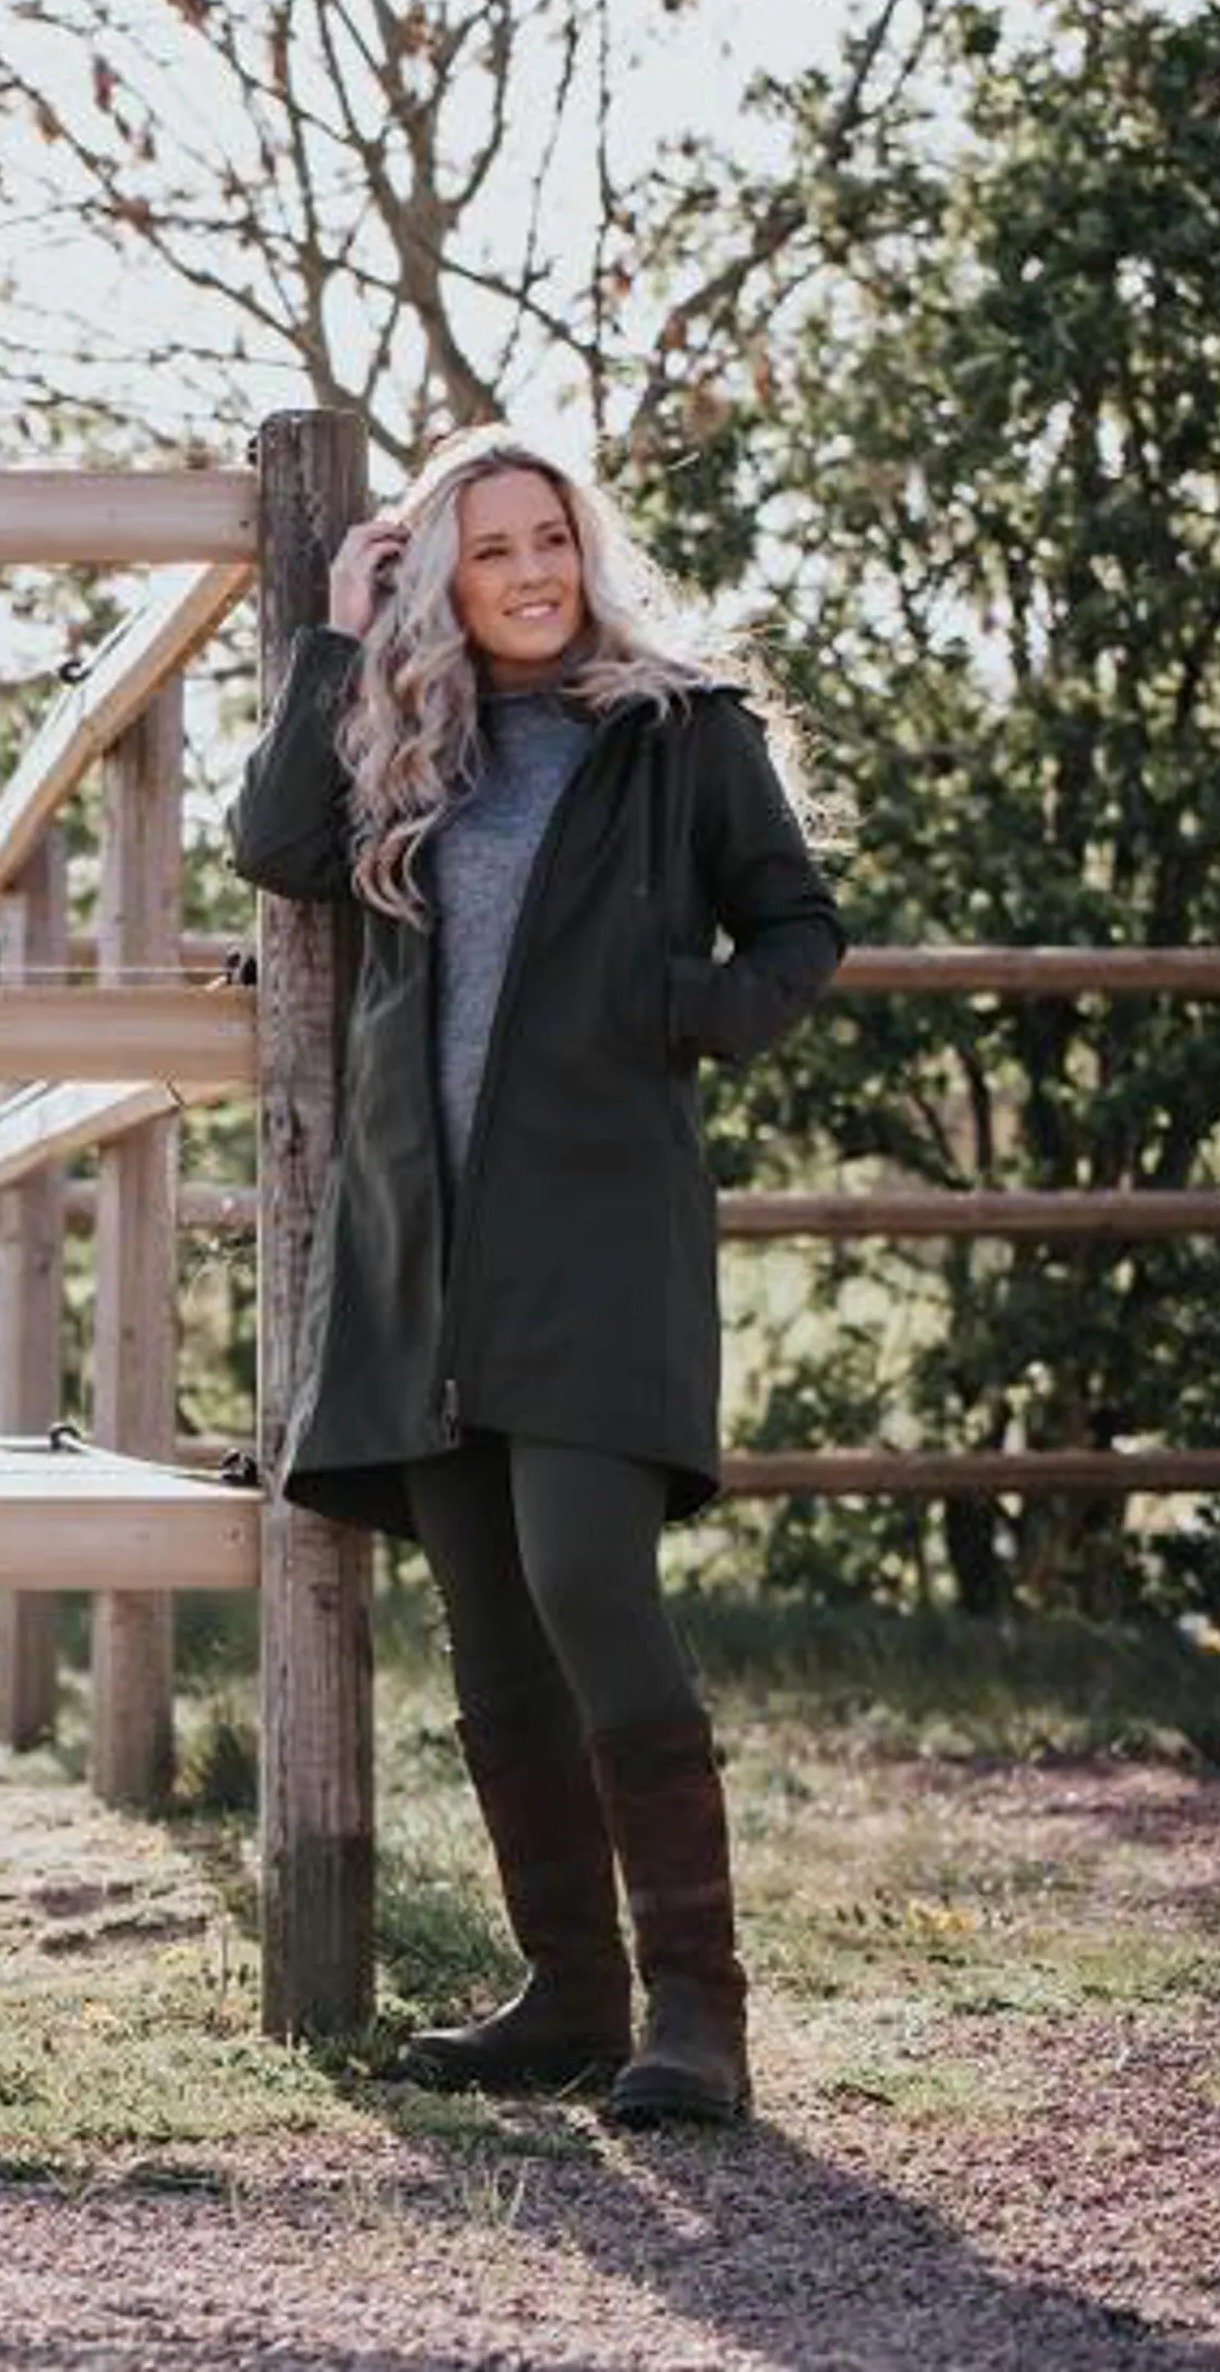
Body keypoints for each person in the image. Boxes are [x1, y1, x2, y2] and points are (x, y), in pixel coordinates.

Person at [226, 423, 848, 2126]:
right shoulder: (404, 736)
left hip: (598, 1239)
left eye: (550, 541)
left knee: (591, 1586)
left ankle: (698, 2015)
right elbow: (274, 847)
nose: (529, 574)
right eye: (491, 547)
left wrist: (671, 1010)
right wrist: (334, 640)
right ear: (446, 573)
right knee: (495, 1641)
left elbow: (796, 932)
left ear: (589, 554)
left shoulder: (680, 732)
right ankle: (571, 1996)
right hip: (424, 1249)